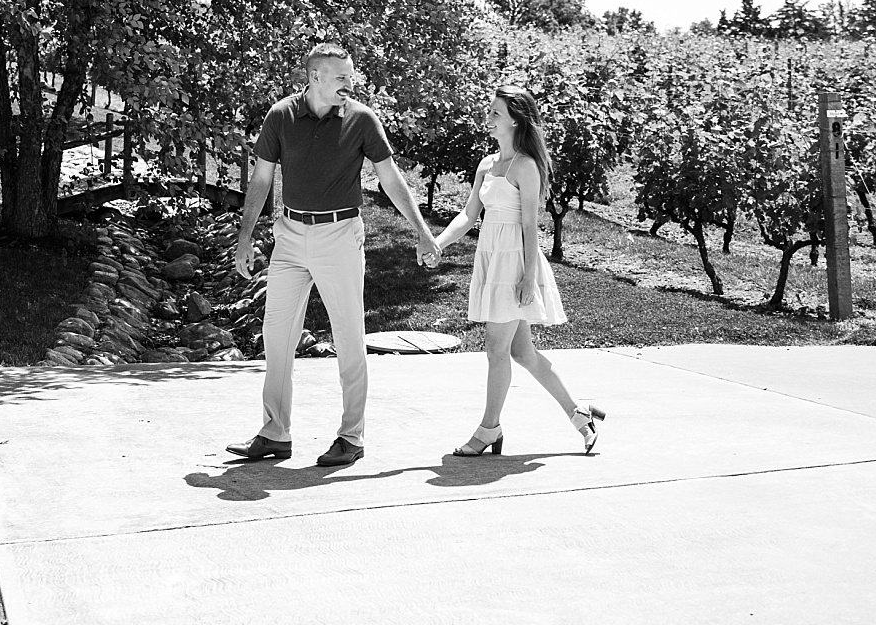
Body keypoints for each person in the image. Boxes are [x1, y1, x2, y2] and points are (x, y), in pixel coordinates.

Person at [227, 42, 442, 468]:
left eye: (350, 76)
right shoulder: (281, 116)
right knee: (277, 335)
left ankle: (351, 436)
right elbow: (262, 179)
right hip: (289, 236)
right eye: (342, 76)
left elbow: (390, 179)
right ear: (316, 78)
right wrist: (245, 237)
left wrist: (422, 231)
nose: (350, 83)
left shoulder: (361, 119)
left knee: (348, 336)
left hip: (341, 234)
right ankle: (275, 431)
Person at [431, 85, 606, 456]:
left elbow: (531, 226)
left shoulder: (526, 166)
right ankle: (579, 414)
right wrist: (438, 242)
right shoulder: (486, 163)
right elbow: (468, 215)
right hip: (491, 256)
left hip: (515, 263)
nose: (488, 118)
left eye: (495, 112)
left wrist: (528, 276)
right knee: (521, 354)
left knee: (496, 349)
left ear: (514, 119)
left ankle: (488, 430)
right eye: (490, 111)